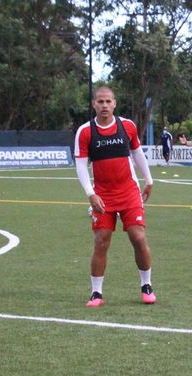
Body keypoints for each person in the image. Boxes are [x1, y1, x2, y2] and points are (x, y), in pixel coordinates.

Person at [74, 86, 156, 307]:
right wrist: (91, 194)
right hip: (102, 195)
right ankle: (96, 293)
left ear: (114, 103)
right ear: (94, 104)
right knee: (101, 241)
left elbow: (137, 153)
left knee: (138, 237)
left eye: (108, 101)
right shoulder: (85, 132)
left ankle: (146, 285)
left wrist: (149, 180)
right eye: (100, 101)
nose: (104, 105)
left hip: (129, 192)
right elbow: (81, 165)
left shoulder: (127, 126)